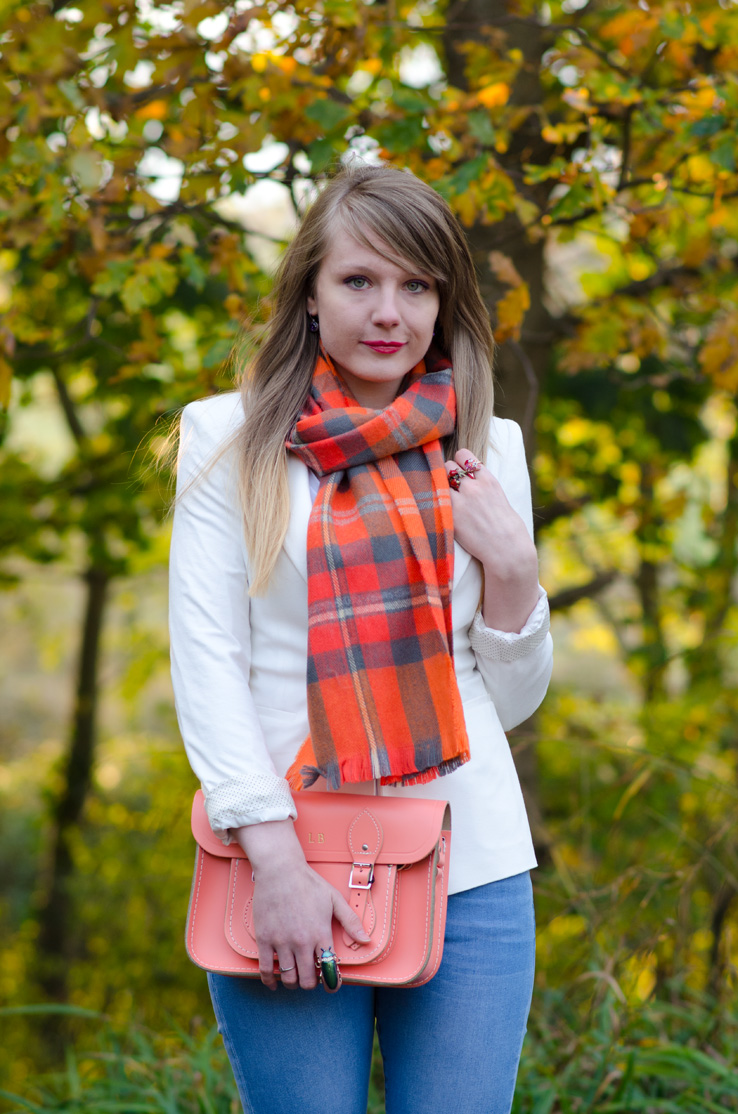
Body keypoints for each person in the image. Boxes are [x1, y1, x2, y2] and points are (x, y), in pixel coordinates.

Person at [169, 162, 553, 1114]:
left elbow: (505, 700)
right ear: (308, 293)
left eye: (417, 284)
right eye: (359, 281)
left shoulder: (485, 446)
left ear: (444, 300)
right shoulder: (227, 439)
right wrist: (278, 865)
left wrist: (511, 573)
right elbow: (207, 663)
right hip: (283, 860)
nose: (391, 311)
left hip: (473, 862)